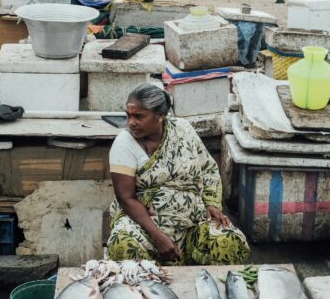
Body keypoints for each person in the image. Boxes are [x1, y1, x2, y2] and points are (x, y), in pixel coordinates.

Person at [107, 84, 250, 265]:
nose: (131, 122)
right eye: (128, 115)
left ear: (160, 116)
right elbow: (125, 198)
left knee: (227, 241)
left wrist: (212, 203)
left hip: (193, 221)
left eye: (139, 116)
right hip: (147, 223)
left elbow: (207, 168)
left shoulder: (182, 130)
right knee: (123, 243)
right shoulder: (124, 143)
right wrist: (159, 238)